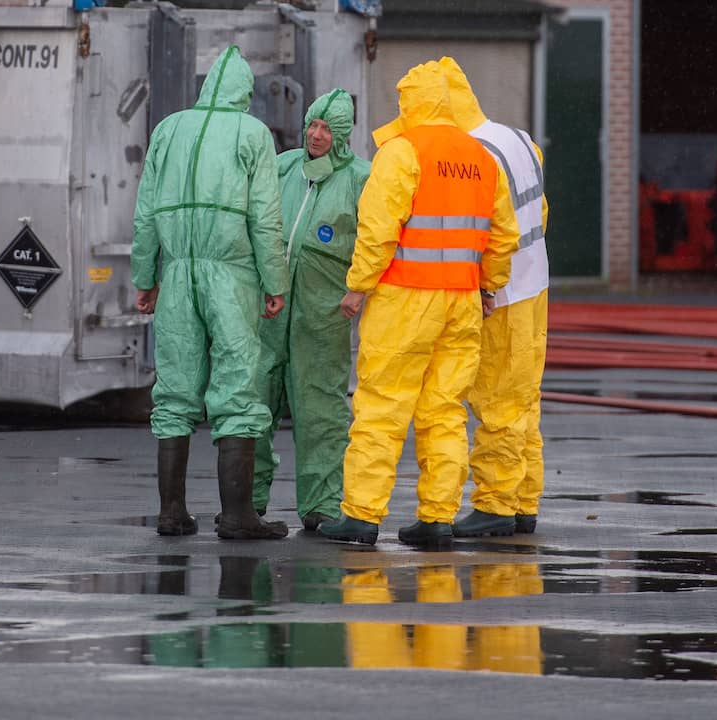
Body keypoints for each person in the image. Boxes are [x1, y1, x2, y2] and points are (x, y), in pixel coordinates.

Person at [319, 59, 519, 550]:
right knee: (445, 412)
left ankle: (362, 517)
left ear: (411, 101)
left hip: (405, 300)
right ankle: (437, 518)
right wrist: (489, 286)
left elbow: (378, 229)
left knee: (382, 407)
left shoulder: (402, 151)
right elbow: (502, 235)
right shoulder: (481, 157)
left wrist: (358, 285)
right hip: (462, 303)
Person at [131, 45, 289, 541]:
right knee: (238, 387)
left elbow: (146, 212)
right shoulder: (252, 133)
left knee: (175, 389)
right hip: (232, 276)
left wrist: (145, 277)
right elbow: (266, 218)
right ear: (244, 91)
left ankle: (171, 512)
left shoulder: (168, 129)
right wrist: (275, 282)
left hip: (177, 274)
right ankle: (239, 514)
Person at [439, 58, 551, 538]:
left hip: (502, 292)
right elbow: (540, 211)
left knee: (498, 400)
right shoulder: (518, 138)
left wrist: (486, 285)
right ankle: (524, 501)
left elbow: (492, 230)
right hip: (535, 283)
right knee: (524, 399)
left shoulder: (475, 152)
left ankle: (496, 503)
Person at [251, 89, 371, 531]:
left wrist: (360, 288)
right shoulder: (284, 167)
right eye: (312, 125)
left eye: (326, 129)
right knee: (256, 399)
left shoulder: (361, 178)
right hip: (271, 306)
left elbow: (376, 239)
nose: (316, 135)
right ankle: (248, 501)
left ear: (342, 135)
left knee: (320, 407)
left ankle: (321, 505)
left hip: (324, 312)